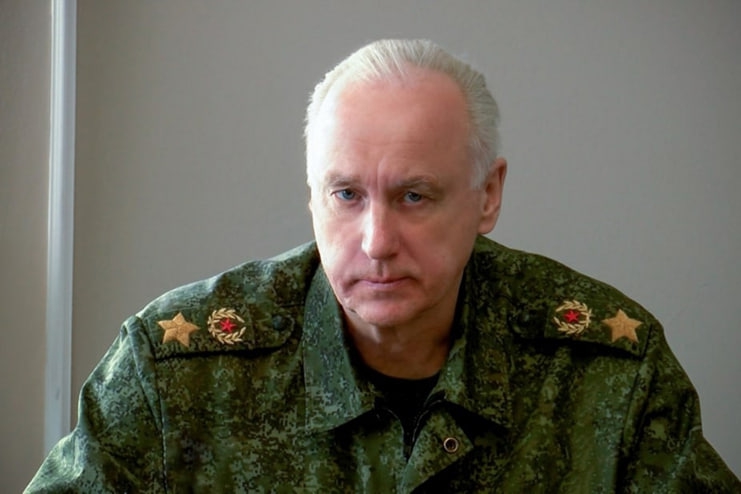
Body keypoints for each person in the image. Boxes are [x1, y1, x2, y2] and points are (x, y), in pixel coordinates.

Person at [27, 39, 739, 493]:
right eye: (346, 195)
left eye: (413, 196)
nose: (375, 241)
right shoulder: (173, 370)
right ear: (312, 197)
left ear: (487, 195)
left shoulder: (607, 369)